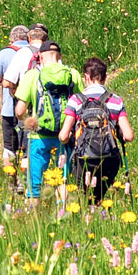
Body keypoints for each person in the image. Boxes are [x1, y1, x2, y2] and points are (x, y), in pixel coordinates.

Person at [12, 41, 82, 202]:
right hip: (65, 137)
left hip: (38, 137)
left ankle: (35, 221)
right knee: (62, 181)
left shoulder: (32, 75)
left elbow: (19, 111)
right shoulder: (72, 74)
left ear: (40, 57)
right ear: (60, 56)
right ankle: (63, 218)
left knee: (34, 186)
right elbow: (82, 103)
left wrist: (29, 123)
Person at [59, 57, 135, 204]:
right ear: (105, 77)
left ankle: (87, 218)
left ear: (86, 77)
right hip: (109, 158)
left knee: (84, 197)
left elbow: (63, 136)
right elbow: (129, 136)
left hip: (83, 159)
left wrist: (68, 135)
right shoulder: (116, 100)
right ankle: (99, 211)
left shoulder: (76, 100)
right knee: (100, 196)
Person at [0, 25, 31, 168]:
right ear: (28, 38)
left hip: (8, 110)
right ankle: (25, 184)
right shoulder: (34, 53)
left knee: (9, 148)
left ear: (11, 39)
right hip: (28, 110)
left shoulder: (3, 54)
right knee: (27, 149)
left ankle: (11, 181)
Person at [0, 24, 50, 91]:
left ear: (28, 38)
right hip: (49, 98)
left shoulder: (23, 52)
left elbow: (6, 83)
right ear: (46, 39)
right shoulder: (52, 52)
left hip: (27, 98)